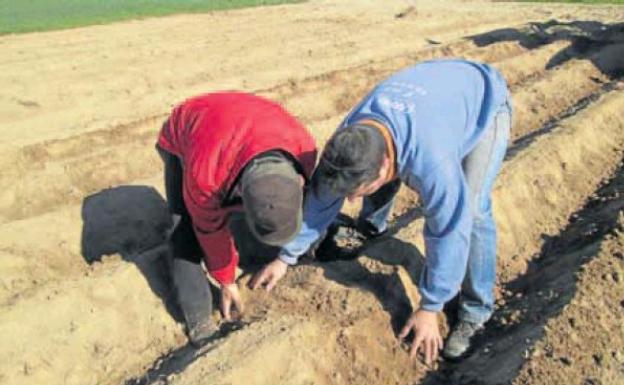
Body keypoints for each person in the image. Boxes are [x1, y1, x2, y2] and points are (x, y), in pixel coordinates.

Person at [254, 59, 512, 363]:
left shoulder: (433, 163)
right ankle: (371, 231)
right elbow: (323, 196)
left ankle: (476, 311)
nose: (349, 202)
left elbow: (449, 228)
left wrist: (430, 307)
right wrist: (286, 256)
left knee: (473, 208)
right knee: (362, 181)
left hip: (484, 102)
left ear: (386, 166)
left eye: (356, 193)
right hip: (434, 97)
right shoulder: (351, 137)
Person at [156, 92, 316, 346]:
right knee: (184, 230)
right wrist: (226, 280)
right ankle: (199, 321)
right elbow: (210, 231)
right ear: (240, 190)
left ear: (299, 180)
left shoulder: (305, 150)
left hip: (248, 124)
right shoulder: (205, 178)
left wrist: (287, 256)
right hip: (189, 130)